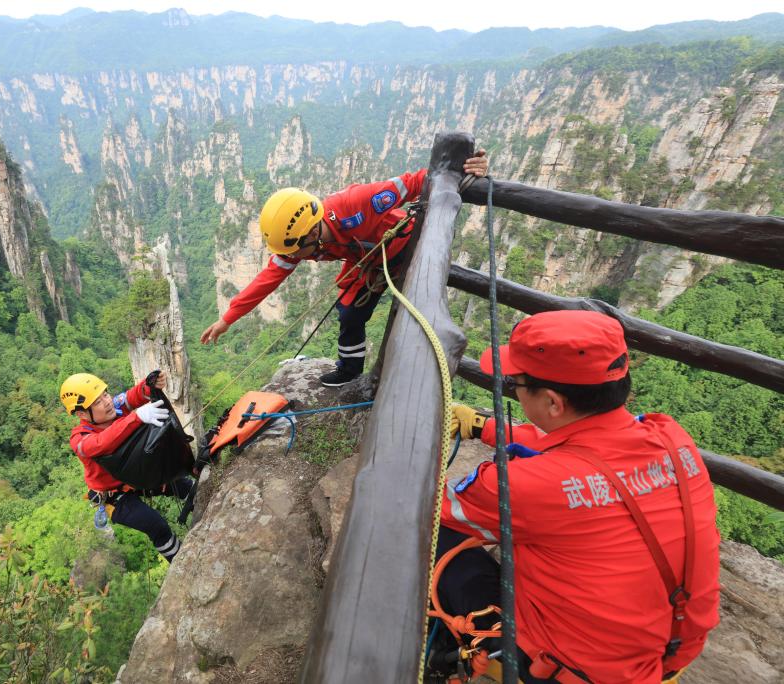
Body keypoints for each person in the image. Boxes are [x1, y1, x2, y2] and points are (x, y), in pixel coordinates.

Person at [437, 310, 719, 683]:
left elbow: (431, 507)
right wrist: (486, 427)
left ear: (553, 403)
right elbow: (594, 444)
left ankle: (450, 651)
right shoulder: (671, 437)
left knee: (437, 538)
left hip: (565, 669)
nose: (513, 389)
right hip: (666, 655)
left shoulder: (523, 486)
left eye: (516, 383)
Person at [200, 152, 489, 387]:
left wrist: (462, 169)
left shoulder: (358, 203)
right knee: (350, 312)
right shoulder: (301, 242)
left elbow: (415, 181)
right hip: (367, 262)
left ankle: (414, 382)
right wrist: (228, 318)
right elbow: (267, 279)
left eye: (293, 252)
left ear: (311, 234)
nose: (290, 259)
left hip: (407, 250)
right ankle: (350, 370)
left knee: (415, 318)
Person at [60, 371, 192, 563]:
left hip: (136, 476)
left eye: (105, 394)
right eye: (97, 402)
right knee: (156, 525)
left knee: (184, 486)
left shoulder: (115, 406)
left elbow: (133, 396)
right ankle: (183, 563)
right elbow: (100, 443)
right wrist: (136, 417)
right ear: (81, 414)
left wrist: (150, 385)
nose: (106, 402)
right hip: (115, 496)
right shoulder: (80, 439)